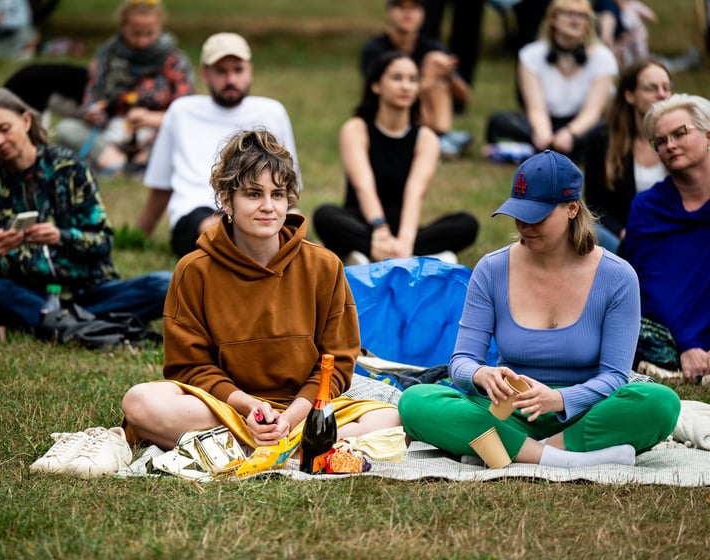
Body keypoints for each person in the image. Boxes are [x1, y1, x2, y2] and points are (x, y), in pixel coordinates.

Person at [121, 129, 401, 451]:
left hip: (304, 408)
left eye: (278, 194)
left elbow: (336, 362)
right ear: (227, 201)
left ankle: (252, 445)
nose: (268, 206)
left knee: (392, 419)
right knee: (140, 401)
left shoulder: (324, 265)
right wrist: (248, 408)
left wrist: (293, 416)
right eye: (253, 194)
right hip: (226, 408)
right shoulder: (193, 270)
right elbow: (189, 367)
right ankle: (293, 447)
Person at [398, 150, 680, 468]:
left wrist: (559, 399)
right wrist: (481, 374)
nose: (524, 225)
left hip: (584, 411)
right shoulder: (492, 269)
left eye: (537, 216)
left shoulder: (617, 276)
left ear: (572, 208)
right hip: (509, 412)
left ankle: (505, 450)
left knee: (661, 404)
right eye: (518, 214)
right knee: (416, 402)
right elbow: (461, 361)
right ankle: (561, 459)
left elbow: (615, 376)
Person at [0, 88, 171, 330]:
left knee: (166, 284)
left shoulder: (69, 168)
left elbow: (103, 242)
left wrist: (62, 236)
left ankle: (64, 324)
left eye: (4, 129)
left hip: (93, 292)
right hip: (35, 297)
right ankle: (78, 323)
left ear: (26, 121)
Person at [137, 32, 302, 259]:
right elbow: (161, 184)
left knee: (293, 230)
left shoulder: (272, 112)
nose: (231, 80)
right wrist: (139, 234)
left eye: (237, 70)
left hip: (258, 202)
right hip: (196, 211)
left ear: (250, 71)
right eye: (221, 71)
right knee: (217, 230)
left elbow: (288, 183)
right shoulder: (181, 111)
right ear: (205, 74)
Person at [313, 52, 478, 265]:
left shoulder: (426, 138)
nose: (406, 86)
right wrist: (379, 229)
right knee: (325, 216)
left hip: (403, 228)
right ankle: (408, 257)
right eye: (397, 78)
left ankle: (371, 254)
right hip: (361, 222)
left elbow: (415, 192)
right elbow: (364, 185)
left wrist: (405, 242)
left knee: (467, 224)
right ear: (376, 85)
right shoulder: (356, 129)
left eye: (413, 79)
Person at [622, 93, 710, 382]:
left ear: (707, 134)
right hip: (669, 329)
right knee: (619, 325)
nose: (670, 145)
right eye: (660, 141)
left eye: (680, 133)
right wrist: (687, 342)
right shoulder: (647, 206)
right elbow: (649, 285)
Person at [54, 0, 194, 175]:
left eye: (149, 34)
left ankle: (138, 161)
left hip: (157, 134)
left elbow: (188, 112)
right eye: (135, 34)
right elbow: (91, 100)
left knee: (185, 137)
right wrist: (93, 113)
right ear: (123, 26)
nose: (142, 41)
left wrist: (151, 118)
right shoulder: (107, 56)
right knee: (66, 129)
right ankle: (115, 159)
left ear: (160, 28)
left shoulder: (174, 60)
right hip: (111, 134)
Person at [485, 0, 619, 162]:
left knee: (607, 131)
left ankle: (536, 152)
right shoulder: (531, 54)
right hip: (543, 123)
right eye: (569, 14)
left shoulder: (602, 57)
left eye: (582, 16)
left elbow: (593, 112)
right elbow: (535, 107)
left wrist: (570, 133)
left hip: (581, 127)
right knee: (499, 122)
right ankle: (553, 151)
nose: (575, 20)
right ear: (553, 19)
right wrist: (544, 134)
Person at [361, 0, 472, 158]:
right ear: (389, 12)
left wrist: (449, 74)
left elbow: (465, 96)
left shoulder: (432, 47)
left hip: (429, 114)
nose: (408, 14)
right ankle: (439, 140)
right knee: (420, 78)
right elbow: (376, 90)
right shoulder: (376, 50)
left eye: (414, 8)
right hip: (389, 111)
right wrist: (425, 79)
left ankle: (440, 137)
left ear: (423, 14)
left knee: (437, 75)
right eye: (401, 7)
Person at [583, 58, 671, 253]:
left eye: (666, 88)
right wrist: (624, 233)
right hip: (624, 237)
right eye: (651, 88)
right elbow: (596, 207)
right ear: (630, 95)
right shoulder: (603, 140)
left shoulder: (680, 139)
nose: (662, 94)